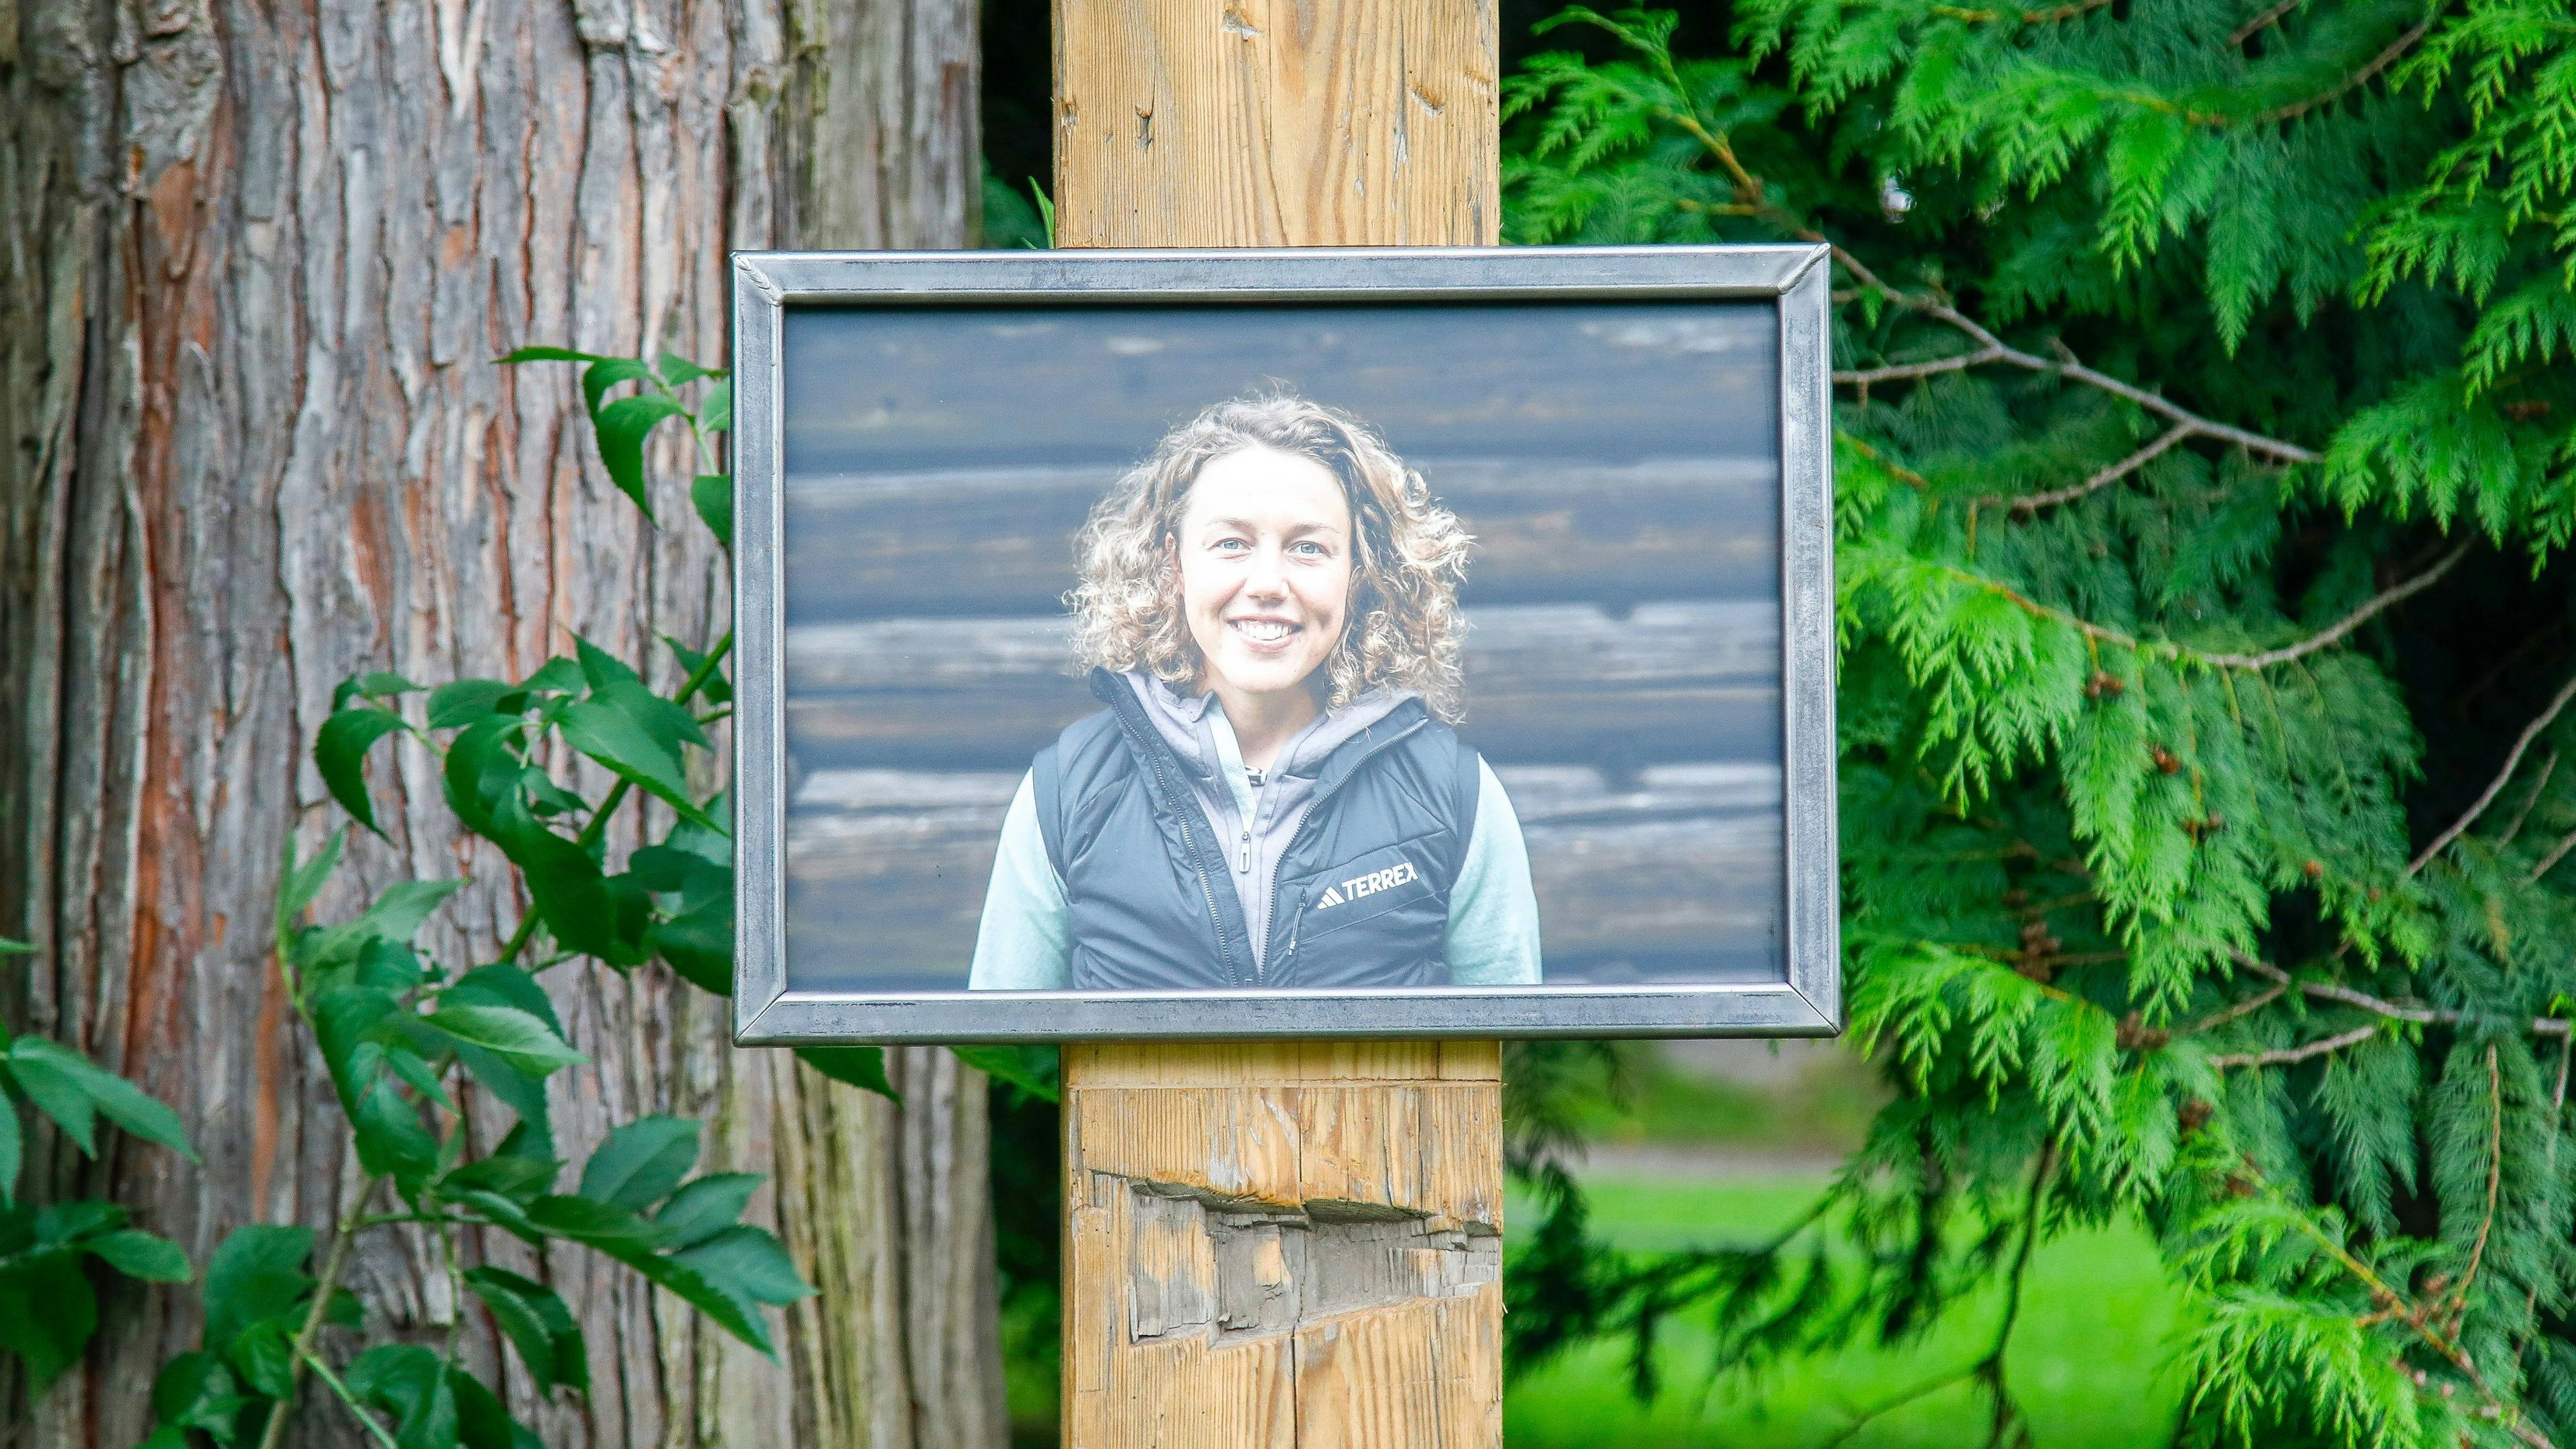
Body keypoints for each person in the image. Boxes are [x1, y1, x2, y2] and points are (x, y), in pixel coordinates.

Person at [967, 393, 1541, 990]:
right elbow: (1003, 1043)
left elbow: (1505, 1055)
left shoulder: (1455, 793)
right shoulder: (1066, 790)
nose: (1268, 583)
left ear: (1359, 572)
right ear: (1174, 565)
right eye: (1232, 543)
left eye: (1309, 547)